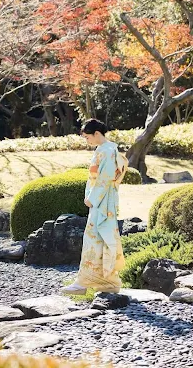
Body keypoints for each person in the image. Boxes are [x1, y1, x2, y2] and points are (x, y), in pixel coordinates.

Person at [61, 118, 126, 295]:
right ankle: (106, 282)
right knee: (101, 238)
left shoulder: (107, 150)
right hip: (103, 200)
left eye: (88, 137)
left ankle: (85, 283)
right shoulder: (106, 149)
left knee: (95, 237)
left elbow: (105, 177)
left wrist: (92, 198)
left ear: (97, 134)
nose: (87, 140)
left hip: (102, 201)